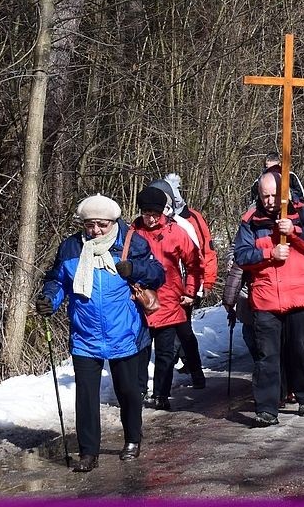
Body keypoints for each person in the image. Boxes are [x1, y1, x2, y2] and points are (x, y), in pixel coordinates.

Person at [35, 194, 165, 472]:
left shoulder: (132, 243)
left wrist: (135, 268)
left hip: (125, 332)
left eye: (102, 225)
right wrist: (49, 300)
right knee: (86, 397)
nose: (95, 230)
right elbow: (58, 281)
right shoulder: (71, 247)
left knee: (129, 391)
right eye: (90, 225)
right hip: (85, 334)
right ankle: (88, 452)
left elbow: (158, 274)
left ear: (113, 222)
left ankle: (133, 439)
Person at [232, 171, 304, 426]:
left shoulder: (302, 214)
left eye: (274, 195)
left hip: (300, 296)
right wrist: (269, 254)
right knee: (267, 356)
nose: (269, 201)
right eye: (265, 196)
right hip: (266, 299)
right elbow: (241, 256)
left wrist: (295, 232)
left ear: (284, 193)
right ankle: (267, 408)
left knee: (300, 350)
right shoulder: (250, 221)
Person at [131, 186, 203, 410]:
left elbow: (195, 263)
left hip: (169, 299)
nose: (151, 219)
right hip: (140, 301)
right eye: (146, 214)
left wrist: (190, 291)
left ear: (162, 212)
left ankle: (161, 394)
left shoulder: (176, 232)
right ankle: (139, 391)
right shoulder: (132, 233)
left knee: (165, 353)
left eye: (155, 214)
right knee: (140, 351)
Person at [149, 173, 211, 388]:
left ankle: (196, 371)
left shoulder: (182, 225)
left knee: (184, 332)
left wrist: (193, 290)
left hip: (180, 291)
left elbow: (195, 259)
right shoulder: (143, 226)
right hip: (154, 291)